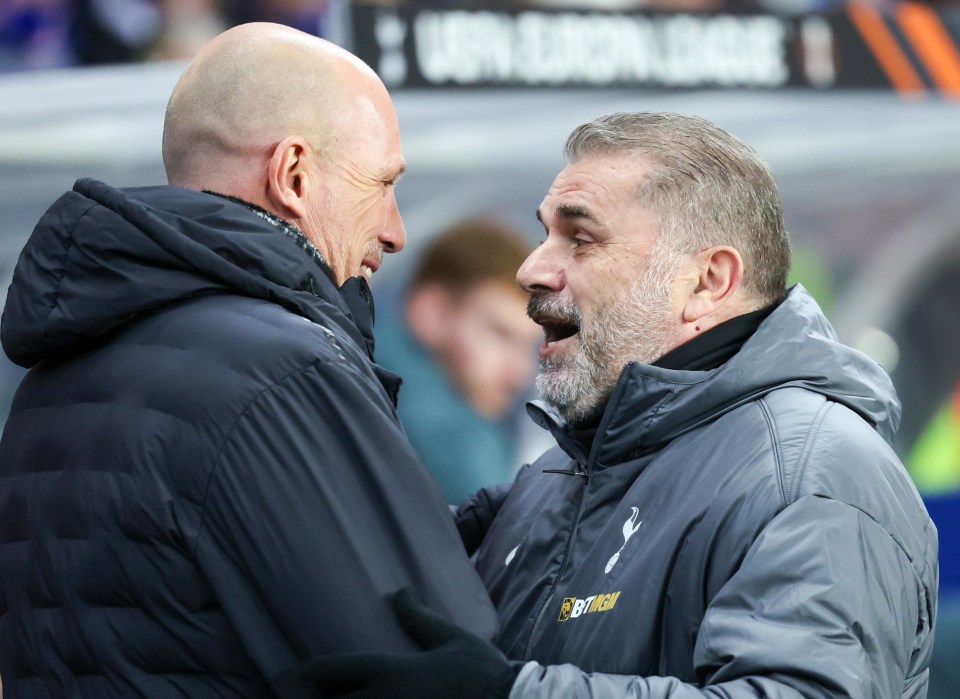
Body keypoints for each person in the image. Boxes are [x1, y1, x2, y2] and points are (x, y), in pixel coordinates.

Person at [302, 112, 939, 697]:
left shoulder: (815, 476)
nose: (531, 269)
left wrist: (506, 694)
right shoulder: (574, 466)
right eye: (544, 233)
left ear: (707, 282)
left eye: (580, 239)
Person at [0, 22, 496, 697]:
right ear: (292, 174)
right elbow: (433, 661)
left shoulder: (47, 382)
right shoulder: (285, 369)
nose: (396, 229)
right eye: (381, 183)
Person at [376, 218, 541, 504]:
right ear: (432, 313)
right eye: (499, 334)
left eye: (528, 345)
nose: (520, 373)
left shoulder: (358, 362)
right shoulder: (441, 428)